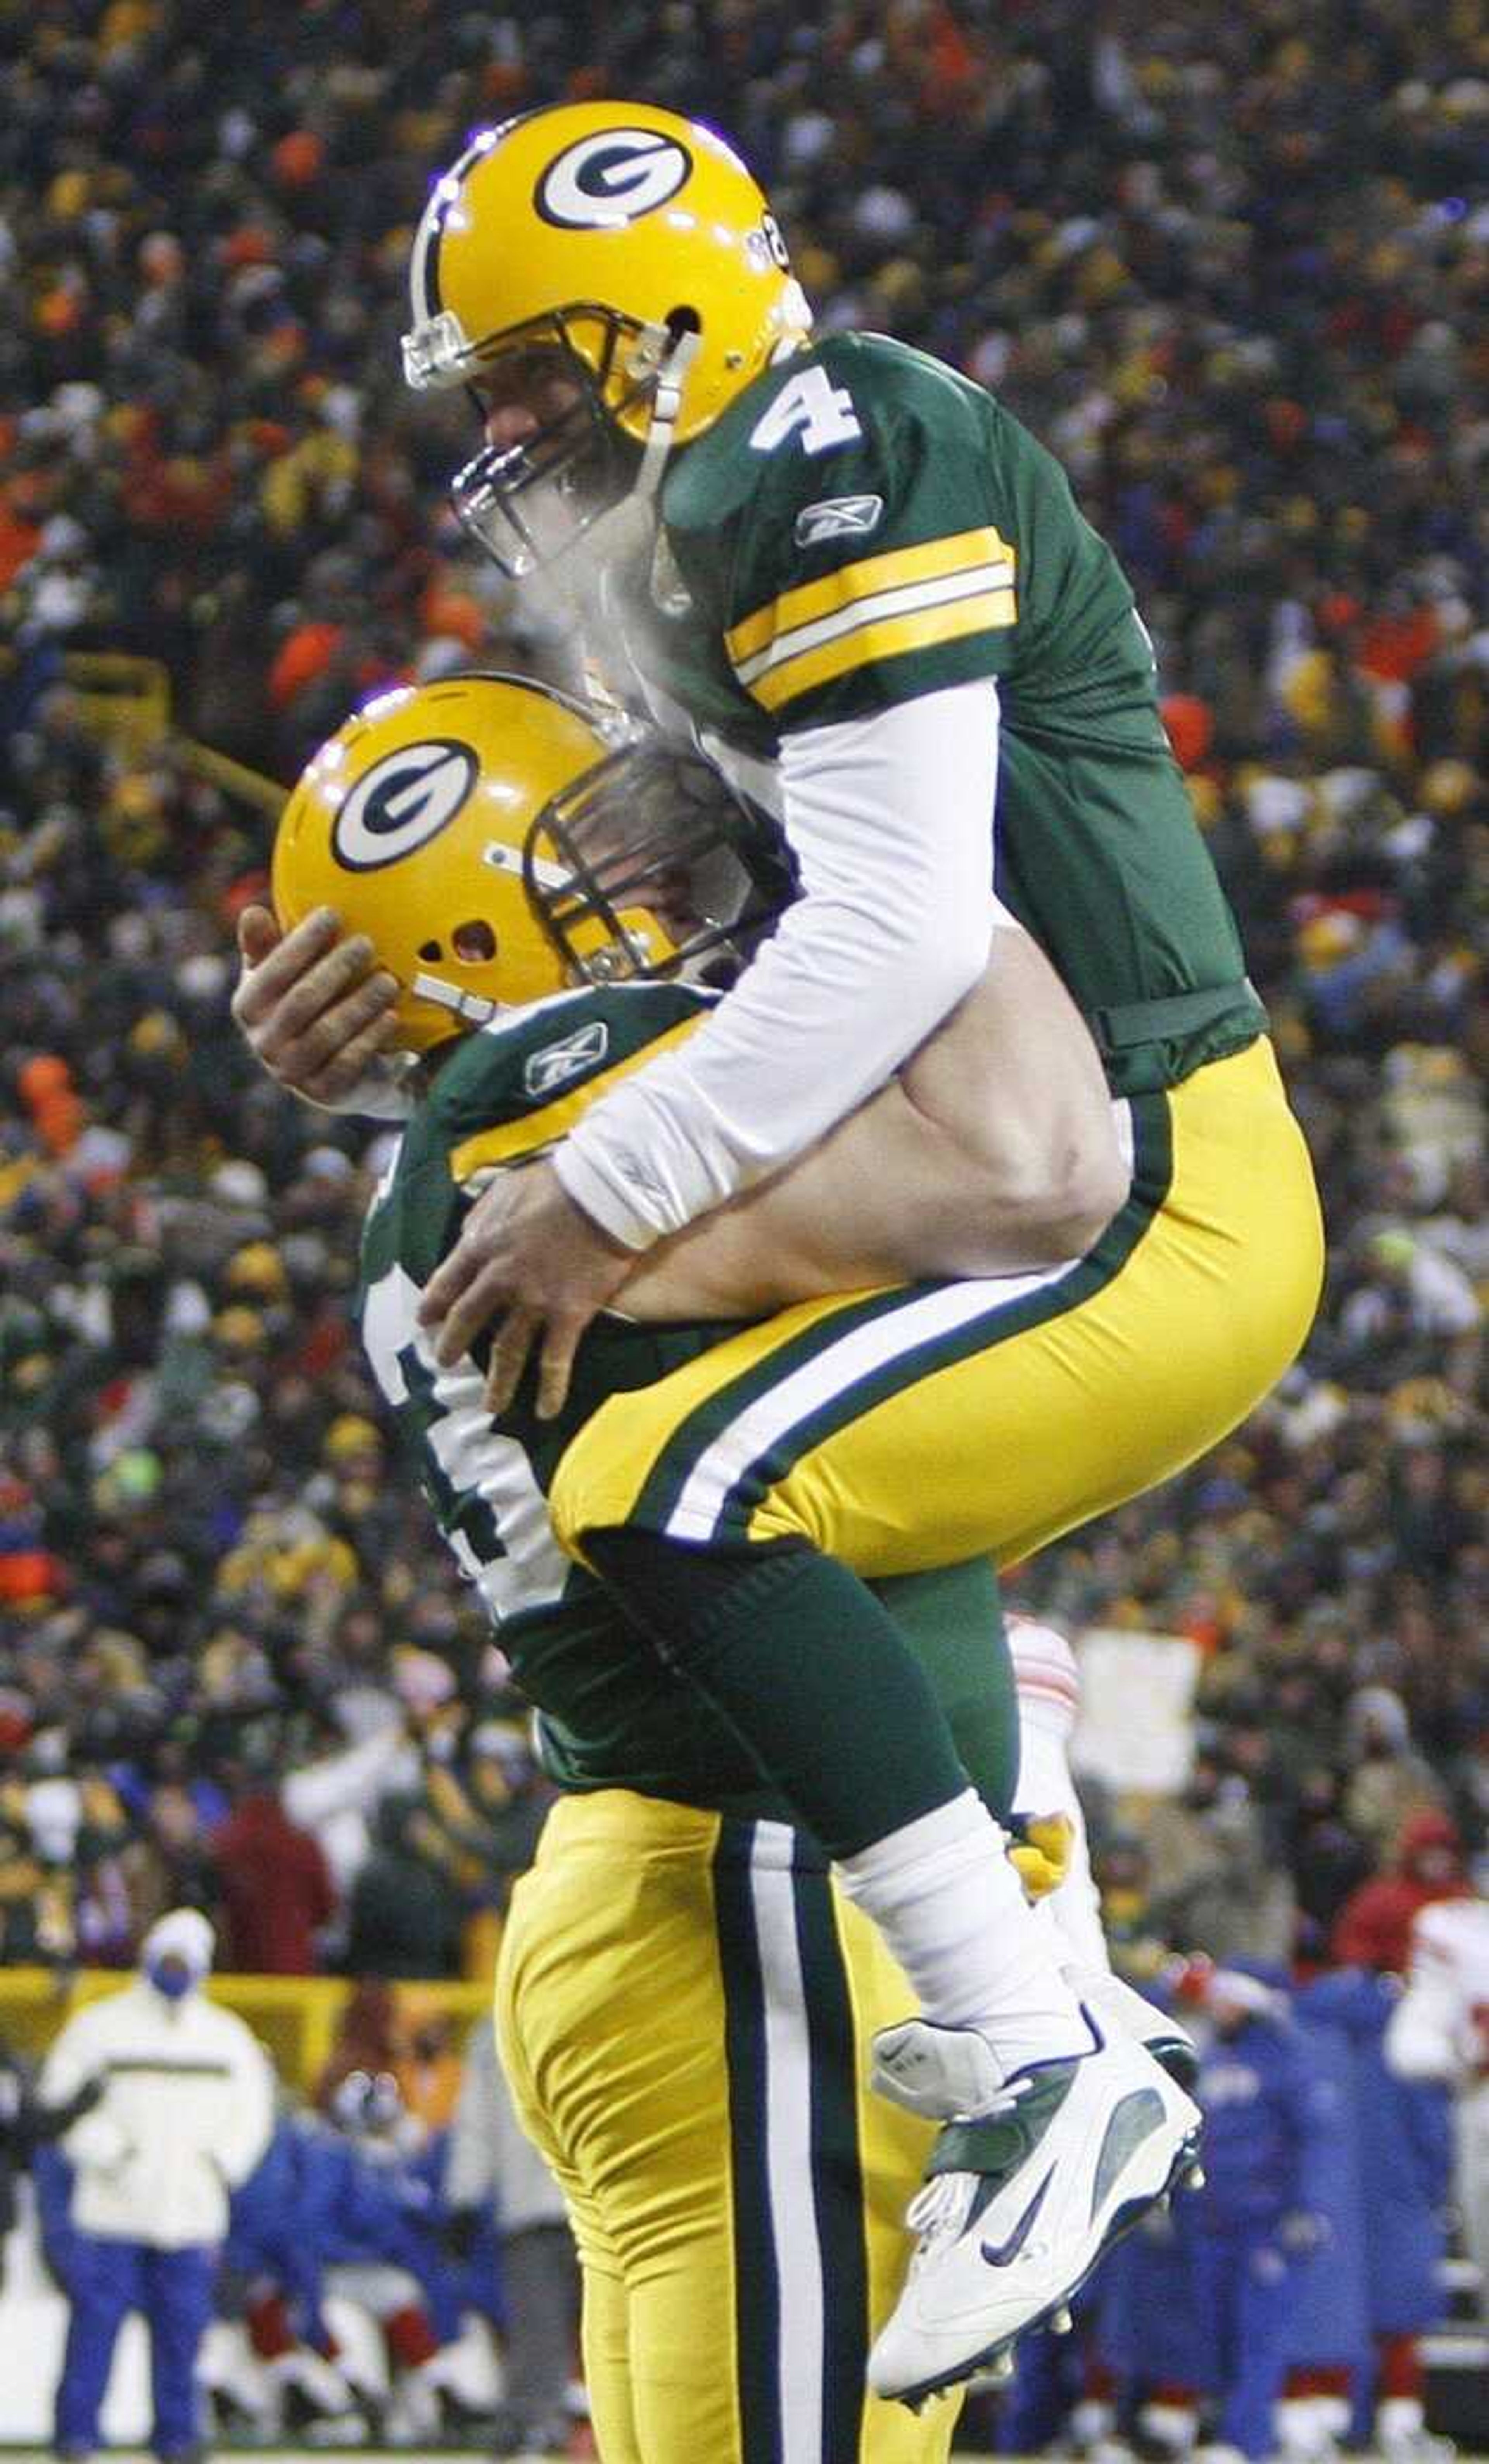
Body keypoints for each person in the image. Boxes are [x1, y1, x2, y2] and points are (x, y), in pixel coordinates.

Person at [269, 669, 1202, 2447]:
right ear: (479, 927)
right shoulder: (567, 1088)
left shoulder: (471, 1143)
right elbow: (1034, 1163)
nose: (654, 883)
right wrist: (871, 810)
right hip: (759, 1886)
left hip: (680, 1880)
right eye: (583, 862)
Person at [38, 1908, 275, 2464]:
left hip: (189, 2213)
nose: (176, 1970)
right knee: (94, 2334)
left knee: (182, 2338)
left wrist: (220, 2165)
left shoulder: (224, 2037)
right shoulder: (100, 2028)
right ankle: (77, 2437)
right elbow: (60, 2105)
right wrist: (111, 2153)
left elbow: (253, 2115)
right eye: (168, 1960)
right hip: (113, 2210)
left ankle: (177, 2438)